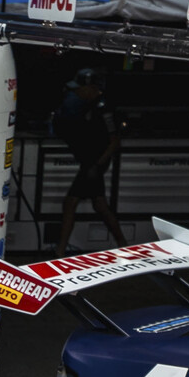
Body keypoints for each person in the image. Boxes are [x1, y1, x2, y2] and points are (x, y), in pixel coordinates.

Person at [52, 67, 125, 253]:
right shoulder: (89, 106)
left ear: (92, 88)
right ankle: (123, 245)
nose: (76, 92)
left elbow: (114, 141)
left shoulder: (104, 109)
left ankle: (60, 251)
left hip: (94, 164)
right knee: (99, 205)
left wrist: (96, 166)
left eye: (80, 88)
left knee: (72, 202)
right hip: (90, 163)